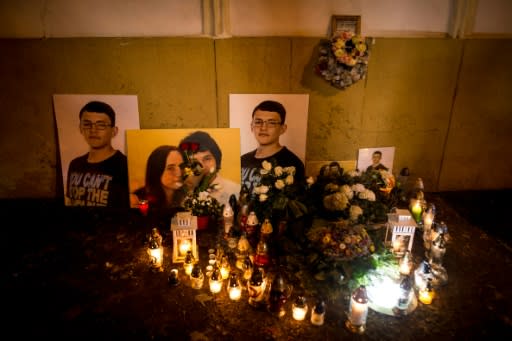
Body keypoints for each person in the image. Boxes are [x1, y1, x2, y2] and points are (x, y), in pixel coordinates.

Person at [66, 100, 129, 208]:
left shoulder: (125, 165)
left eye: (101, 125)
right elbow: (69, 202)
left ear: (114, 131)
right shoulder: (75, 164)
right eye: (87, 124)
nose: (93, 130)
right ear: (80, 128)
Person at [241, 100, 305, 193]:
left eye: (271, 123)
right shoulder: (243, 160)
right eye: (258, 122)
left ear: (283, 129)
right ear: (252, 126)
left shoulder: (292, 164)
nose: (263, 128)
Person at [179, 131, 240, 207]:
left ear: (217, 160)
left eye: (207, 159)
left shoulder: (235, 191)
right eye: (194, 162)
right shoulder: (178, 194)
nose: (202, 167)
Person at [131, 145, 186, 211]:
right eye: (171, 168)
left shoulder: (188, 196)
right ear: (157, 170)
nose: (179, 173)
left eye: (182, 166)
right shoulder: (138, 199)